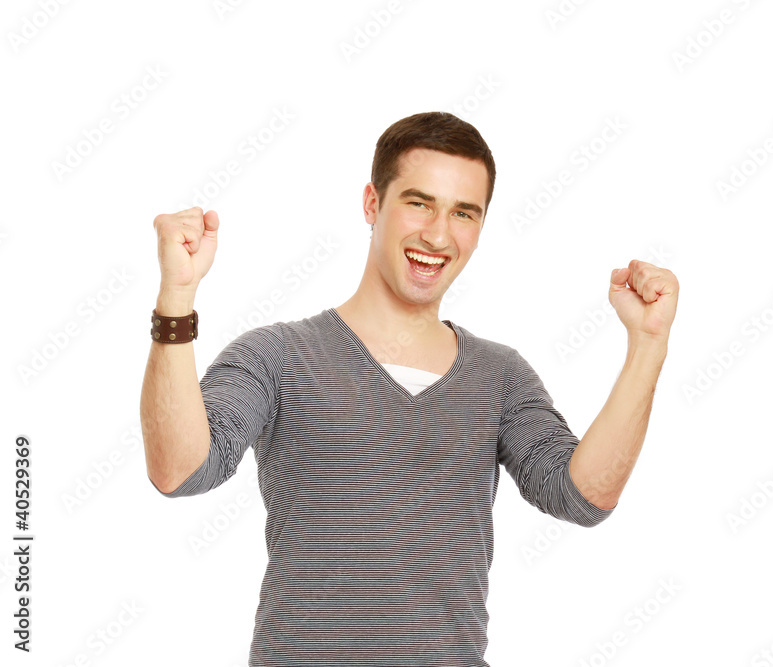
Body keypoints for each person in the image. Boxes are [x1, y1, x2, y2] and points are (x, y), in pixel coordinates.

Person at [140, 110, 679, 666]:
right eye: (419, 203)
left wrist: (648, 346)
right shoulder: (277, 356)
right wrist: (176, 297)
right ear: (372, 204)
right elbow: (179, 470)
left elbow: (581, 497)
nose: (438, 235)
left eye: (463, 212)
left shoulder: (501, 377)